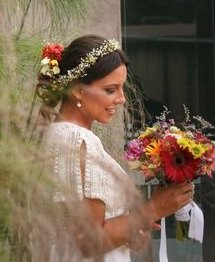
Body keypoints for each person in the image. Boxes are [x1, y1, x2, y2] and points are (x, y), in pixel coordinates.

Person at [37, 35, 194, 261]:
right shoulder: (78, 141)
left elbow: (74, 233)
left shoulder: (57, 134)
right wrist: (153, 209)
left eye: (122, 88)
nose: (121, 99)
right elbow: (88, 242)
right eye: (111, 90)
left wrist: (129, 230)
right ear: (78, 90)